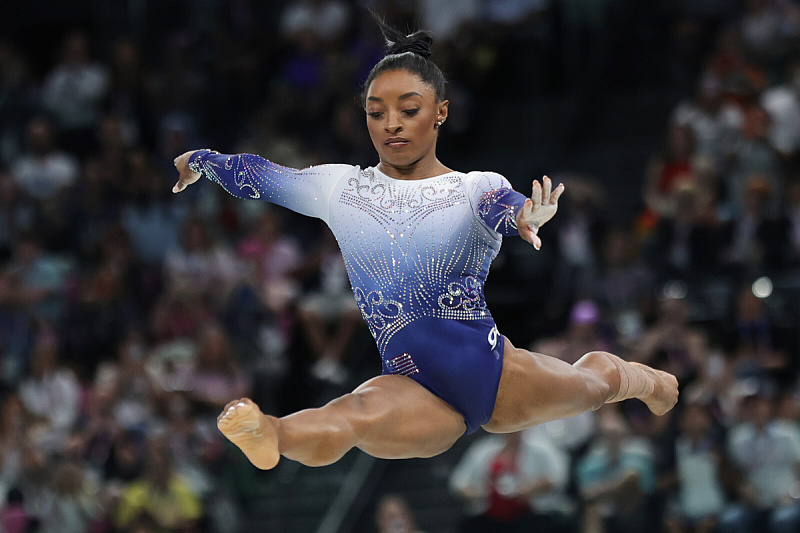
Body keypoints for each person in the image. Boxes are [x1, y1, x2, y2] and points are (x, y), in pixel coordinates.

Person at [171, 14, 679, 471]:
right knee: (355, 414)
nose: (390, 123)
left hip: (495, 374)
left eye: (407, 109)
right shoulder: (340, 188)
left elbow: (502, 207)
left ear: (439, 112)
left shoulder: (472, 186)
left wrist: (527, 214)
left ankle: (649, 382)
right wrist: (203, 160)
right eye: (376, 112)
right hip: (412, 385)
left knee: (594, 386)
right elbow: (260, 175)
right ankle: (270, 434)